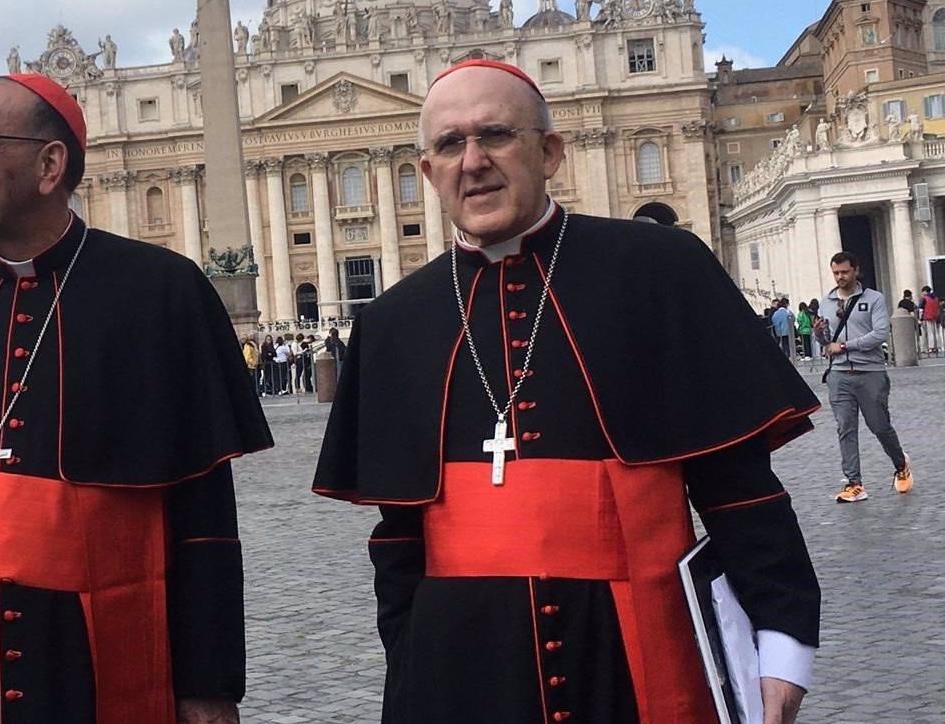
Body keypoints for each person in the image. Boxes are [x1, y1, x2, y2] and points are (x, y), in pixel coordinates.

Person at [313, 60, 820, 724]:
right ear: (427, 169)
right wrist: (412, 669)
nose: (473, 161)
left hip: (640, 649)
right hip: (463, 668)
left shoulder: (659, 268)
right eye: (449, 144)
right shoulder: (392, 322)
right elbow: (398, 539)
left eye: (495, 134)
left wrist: (782, 645)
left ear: (549, 151)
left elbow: (739, 485)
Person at [0, 72, 272, 723]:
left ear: (50, 164)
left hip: (105, 659)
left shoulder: (163, 293)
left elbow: (204, 522)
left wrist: (208, 689)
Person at [817, 252, 915, 503]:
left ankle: (900, 463)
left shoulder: (874, 299)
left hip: (870, 373)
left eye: (844, 272)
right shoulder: (826, 301)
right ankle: (854, 484)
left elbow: (880, 333)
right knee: (845, 429)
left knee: (880, 427)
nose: (840, 277)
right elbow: (828, 343)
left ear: (856, 270)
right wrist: (821, 336)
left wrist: (846, 346)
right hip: (839, 374)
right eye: (836, 273)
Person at [918, 285, 941, 356]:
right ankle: (937, 346)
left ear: (925, 291)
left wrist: (920, 318)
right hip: (935, 317)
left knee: (929, 332)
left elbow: (921, 309)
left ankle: (931, 347)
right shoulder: (935, 298)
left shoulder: (924, 299)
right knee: (935, 332)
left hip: (927, 317)